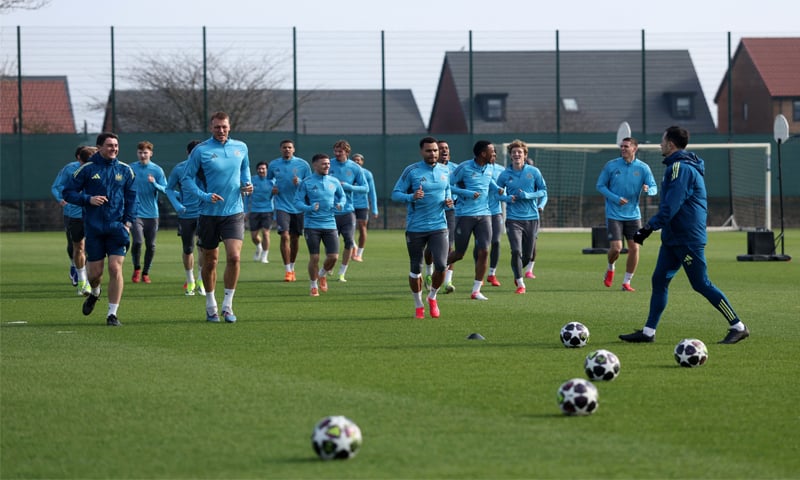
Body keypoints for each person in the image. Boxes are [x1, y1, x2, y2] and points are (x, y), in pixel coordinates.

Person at [620, 125, 749, 344]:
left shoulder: (680, 168)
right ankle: (648, 332)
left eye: (662, 141)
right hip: (673, 238)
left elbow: (671, 206)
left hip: (687, 238)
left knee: (701, 284)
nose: (660, 144)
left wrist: (648, 228)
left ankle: (738, 326)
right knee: (659, 280)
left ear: (670, 144)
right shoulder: (677, 166)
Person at [181, 111, 252, 323]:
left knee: (235, 257)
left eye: (224, 127)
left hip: (234, 212)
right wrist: (204, 195)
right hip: (208, 214)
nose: (221, 130)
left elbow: (245, 169)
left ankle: (228, 306)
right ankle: (211, 305)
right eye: (217, 127)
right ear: (211, 128)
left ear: (230, 127)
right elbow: (186, 179)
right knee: (210, 261)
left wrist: (247, 184)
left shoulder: (241, 147)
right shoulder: (201, 150)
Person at [62, 132, 137, 327]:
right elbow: (68, 192)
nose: (114, 149)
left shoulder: (125, 170)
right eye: (110, 145)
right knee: (95, 275)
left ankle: (112, 314)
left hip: (117, 228)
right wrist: (88, 199)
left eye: (116, 145)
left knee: (115, 267)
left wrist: (127, 223)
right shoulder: (87, 170)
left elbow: (131, 199)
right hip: (94, 229)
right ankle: (95, 293)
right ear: (100, 147)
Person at [392, 136, 454, 319]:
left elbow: (447, 189)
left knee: (442, 266)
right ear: (422, 152)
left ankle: (432, 297)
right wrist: (411, 196)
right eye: (429, 150)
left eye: (435, 150)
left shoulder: (445, 170)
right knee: (415, 268)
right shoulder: (411, 171)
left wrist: (448, 200)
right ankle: (418, 305)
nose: (433, 153)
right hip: (416, 227)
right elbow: (395, 194)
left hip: (439, 225)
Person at [596, 137, 658, 291]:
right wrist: (616, 198)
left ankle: (627, 282)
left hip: (633, 216)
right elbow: (600, 186)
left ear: (634, 149)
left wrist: (648, 190)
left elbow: (654, 187)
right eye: (621, 146)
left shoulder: (643, 168)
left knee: (635, 248)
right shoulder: (611, 165)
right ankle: (611, 267)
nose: (623, 149)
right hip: (613, 214)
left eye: (626, 146)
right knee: (616, 248)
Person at [447, 140, 500, 300]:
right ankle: (438, 267)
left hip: (485, 215)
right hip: (464, 215)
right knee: (459, 254)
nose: (495, 154)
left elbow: (489, 180)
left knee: (484, 251)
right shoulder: (464, 167)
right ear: (483, 153)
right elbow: (448, 185)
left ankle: (476, 290)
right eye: (492, 151)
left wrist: (497, 188)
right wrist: (467, 193)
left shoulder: (490, 167)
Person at [496, 140, 547, 294]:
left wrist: (528, 195)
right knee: (515, 251)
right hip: (513, 219)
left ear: (525, 155)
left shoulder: (534, 172)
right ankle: (520, 283)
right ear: (510, 155)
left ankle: (518, 270)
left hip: (532, 218)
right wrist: (506, 198)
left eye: (520, 152)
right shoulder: (504, 174)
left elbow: (543, 191)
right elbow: (496, 193)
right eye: (514, 152)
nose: (517, 155)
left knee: (528, 255)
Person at [294, 153, 346, 296]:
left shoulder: (334, 181)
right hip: (312, 225)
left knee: (334, 257)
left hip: (330, 224)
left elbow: (342, 196)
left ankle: (322, 274)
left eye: (328, 164)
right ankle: (313, 285)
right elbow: (297, 202)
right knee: (315, 258)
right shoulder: (307, 182)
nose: (327, 166)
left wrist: (341, 204)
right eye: (324, 164)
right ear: (315, 165)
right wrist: (309, 208)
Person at [51, 145, 96, 296]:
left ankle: (86, 280)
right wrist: (62, 199)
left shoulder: (99, 170)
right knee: (76, 247)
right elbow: (57, 187)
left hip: (93, 215)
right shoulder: (70, 170)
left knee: (92, 248)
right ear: (79, 158)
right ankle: (79, 275)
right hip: (74, 214)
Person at [165, 139, 206, 296]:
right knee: (188, 248)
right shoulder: (180, 168)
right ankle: (190, 282)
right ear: (189, 153)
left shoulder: (207, 167)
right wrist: (177, 206)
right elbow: (169, 189)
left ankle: (202, 280)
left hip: (204, 214)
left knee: (204, 248)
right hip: (186, 215)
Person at [267, 139, 311, 282]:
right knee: (284, 235)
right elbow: (268, 181)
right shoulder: (274, 165)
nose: (287, 149)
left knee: (295, 238)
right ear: (281, 149)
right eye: (284, 147)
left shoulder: (303, 165)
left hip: (298, 206)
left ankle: (292, 267)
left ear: (294, 149)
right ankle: (287, 270)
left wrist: (301, 183)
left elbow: (311, 183)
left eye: (289, 147)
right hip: (281, 206)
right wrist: (272, 189)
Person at [329, 140, 369, 282]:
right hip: (330, 211)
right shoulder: (329, 164)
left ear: (347, 152)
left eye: (340, 151)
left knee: (349, 242)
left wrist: (348, 186)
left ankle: (342, 273)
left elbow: (365, 188)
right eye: (335, 151)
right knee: (332, 243)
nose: (337, 154)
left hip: (348, 211)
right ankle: (330, 264)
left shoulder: (355, 168)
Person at [129, 141, 167, 284]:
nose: (143, 155)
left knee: (151, 245)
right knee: (138, 241)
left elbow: (165, 189)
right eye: (140, 152)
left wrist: (154, 183)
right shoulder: (131, 169)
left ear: (151, 153)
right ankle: (137, 268)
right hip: (135, 213)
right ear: (137, 153)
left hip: (152, 214)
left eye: (145, 152)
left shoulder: (157, 170)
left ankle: (146, 272)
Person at [424, 139, 458, 293]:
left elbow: (460, 187)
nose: (444, 150)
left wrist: (455, 198)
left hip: (450, 211)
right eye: (441, 148)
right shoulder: (426, 170)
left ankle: (448, 281)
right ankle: (429, 272)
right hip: (432, 211)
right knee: (431, 247)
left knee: (449, 246)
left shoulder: (456, 169)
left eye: (446, 148)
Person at [350, 153, 379, 262]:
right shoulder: (348, 173)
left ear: (362, 162)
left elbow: (372, 192)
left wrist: (374, 208)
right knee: (348, 229)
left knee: (362, 227)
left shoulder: (367, 174)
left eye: (359, 160)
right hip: (349, 205)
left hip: (362, 205)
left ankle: (359, 254)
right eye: (354, 160)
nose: (357, 162)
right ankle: (353, 246)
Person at [246, 161, 275, 264]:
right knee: (254, 236)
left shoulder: (272, 181)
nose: (261, 170)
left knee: (266, 234)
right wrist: (246, 211)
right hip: (254, 211)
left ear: (267, 170)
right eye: (259, 169)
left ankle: (264, 256)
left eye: (263, 169)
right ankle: (259, 247)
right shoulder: (252, 181)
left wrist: (276, 215)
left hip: (268, 211)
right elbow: (247, 197)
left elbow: (277, 197)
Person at [485, 149, 505, 287]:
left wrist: (507, 195)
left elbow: (506, 189)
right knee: (482, 245)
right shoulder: (478, 170)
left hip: (496, 211)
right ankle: (479, 271)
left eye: (493, 154)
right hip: (480, 212)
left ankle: (492, 273)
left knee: (496, 241)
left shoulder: (501, 170)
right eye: (489, 153)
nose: (492, 156)